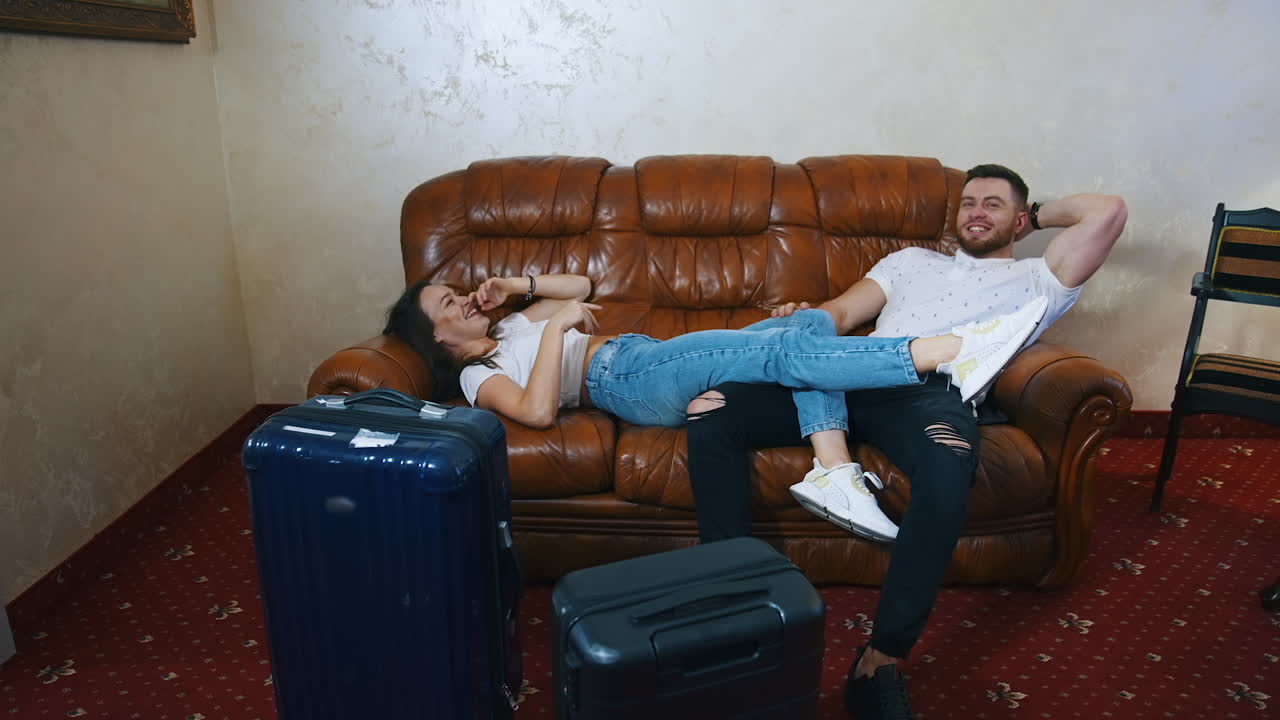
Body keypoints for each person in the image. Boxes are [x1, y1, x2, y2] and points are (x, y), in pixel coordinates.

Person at [681, 164, 1128, 720]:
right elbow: (843, 312)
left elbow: (1108, 210)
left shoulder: (1040, 280)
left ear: (1019, 218)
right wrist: (807, 319)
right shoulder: (910, 261)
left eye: (993, 204)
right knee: (710, 410)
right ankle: (730, 606)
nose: (976, 212)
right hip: (855, 369)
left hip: (930, 395)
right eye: (968, 203)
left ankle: (881, 657)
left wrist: (1031, 218)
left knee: (949, 464)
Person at [384, 269, 1048, 540]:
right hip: (627, 381)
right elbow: (533, 413)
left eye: (462, 291)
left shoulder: (511, 326)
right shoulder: (481, 375)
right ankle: (947, 350)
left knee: (808, 328)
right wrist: (559, 331)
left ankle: (833, 469)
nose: (467, 299)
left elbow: (581, 283)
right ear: (438, 338)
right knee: (783, 354)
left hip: (646, 355)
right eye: (452, 304)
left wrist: (519, 287)